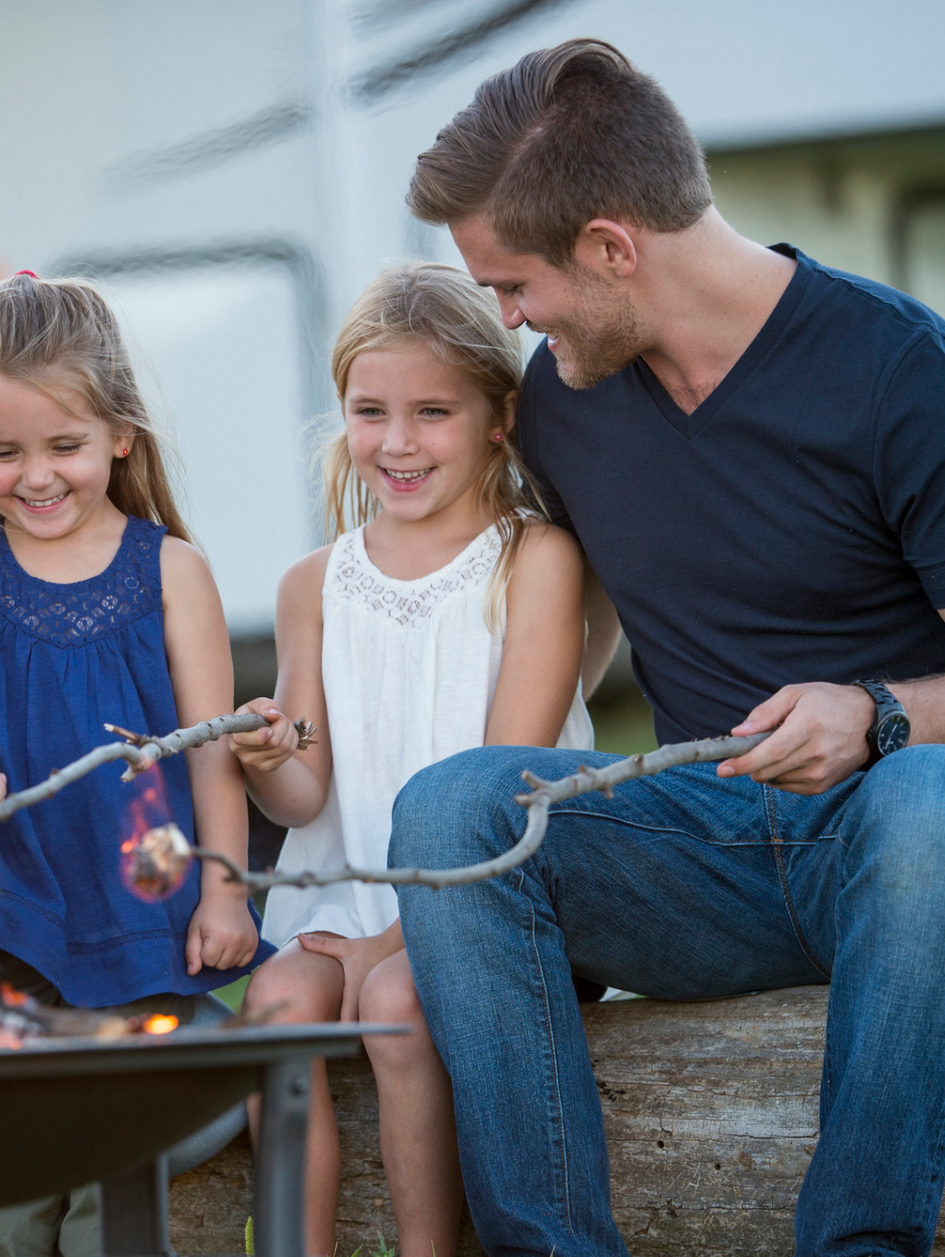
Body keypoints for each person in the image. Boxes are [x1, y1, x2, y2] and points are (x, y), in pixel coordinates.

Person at [387, 39, 945, 1257]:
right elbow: (553, 626)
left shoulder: (909, 378)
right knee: (453, 810)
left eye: (513, 284)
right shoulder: (565, 403)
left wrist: (881, 715)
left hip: (935, 858)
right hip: (713, 851)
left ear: (610, 246)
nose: (507, 319)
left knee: (936, 800)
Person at [230, 261, 593, 1257]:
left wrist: (393, 945)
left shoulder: (535, 561)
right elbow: (306, 792)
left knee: (396, 1007)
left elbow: (507, 779)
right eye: (370, 410)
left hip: (488, 898)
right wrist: (265, 755)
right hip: (339, 897)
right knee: (272, 1009)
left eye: (432, 411)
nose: (397, 442)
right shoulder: (315, 582)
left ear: (497, 415)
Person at [0, 271, 271, 1257]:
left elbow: (211, 755)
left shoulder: (171, 571)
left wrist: (224, 893)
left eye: (64, 446)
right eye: (3, 452)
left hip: (142, 904)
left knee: (113, 1157)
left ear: (120, 433)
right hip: (17, 910)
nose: (37, 475)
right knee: (15, 1167)